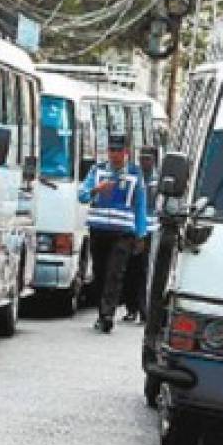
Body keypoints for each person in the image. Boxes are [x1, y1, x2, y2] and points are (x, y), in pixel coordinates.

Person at [78, 133, 148, 333]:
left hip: (123, 234)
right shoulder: (97, 170)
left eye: (119, 151)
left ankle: (107, 315)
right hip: (99, 231)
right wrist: (96, 190)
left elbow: (140, 205)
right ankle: (102, 311)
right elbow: (81, 195)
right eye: (111, 151)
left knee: (114, 274)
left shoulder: (135, 174)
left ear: (126, 153)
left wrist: (141, 234)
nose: (115, 155)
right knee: (99, 274)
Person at [122, 147, 160, 324]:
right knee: (130, 270)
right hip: (131, 229)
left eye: (148, 159)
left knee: (144, 272)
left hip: (150, 231)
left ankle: (144, 311)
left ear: (154, 160)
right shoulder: (133, 177)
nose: (144, 162)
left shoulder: (157, 182)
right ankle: (131, 308)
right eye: (142, 158)